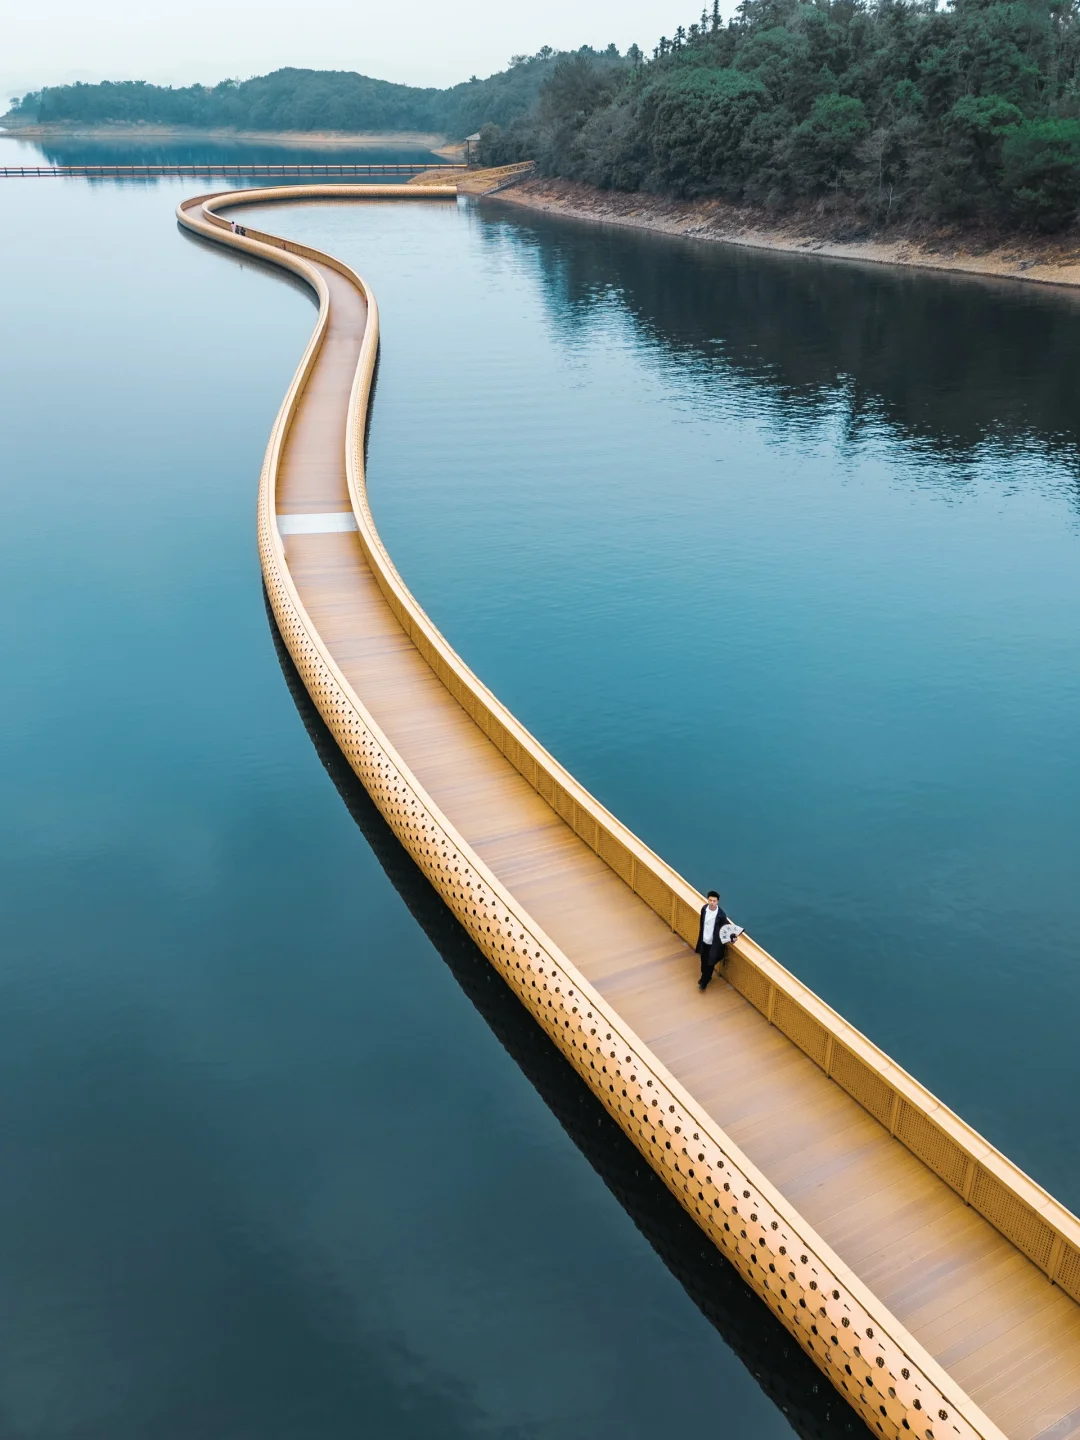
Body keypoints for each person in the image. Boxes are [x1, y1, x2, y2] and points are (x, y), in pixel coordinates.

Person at [696, 890, 731, 991]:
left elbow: (726, 927)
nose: (712, 902)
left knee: (710, 962)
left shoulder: (721, 915)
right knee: (703, 959)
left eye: (714, 901)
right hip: (704, 940)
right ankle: (706, 976)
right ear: (707, 900)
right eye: (710, 900)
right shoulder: (704, 909)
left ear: (717, 902)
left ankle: (704, 981)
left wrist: (732, 936)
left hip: (713, 943)